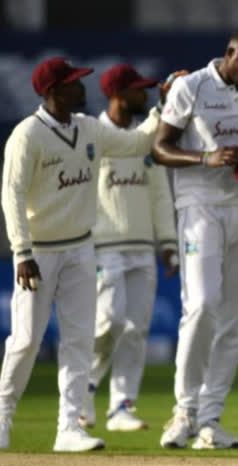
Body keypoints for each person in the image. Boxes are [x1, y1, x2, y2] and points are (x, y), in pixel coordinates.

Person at [0, 57, 167, 451]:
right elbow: (12, 195)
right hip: (38, 253)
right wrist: (21, 251)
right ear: (54, 91)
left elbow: (138, 143)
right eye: (74, 84)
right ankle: (3, 417)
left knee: (78, 340)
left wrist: (163, 106)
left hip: (80, 248)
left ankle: (69, 428)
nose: (83, 89)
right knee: (25, 339)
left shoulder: (89, 128)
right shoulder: (27, 135)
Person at [152, 26, 238, 450]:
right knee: (203, 305)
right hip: (200, 206)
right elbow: (159, 148)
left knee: (236, 315)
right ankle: (184, 411)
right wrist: (207, 157)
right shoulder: (191, 87)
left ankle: (210, 419)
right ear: (229, 52)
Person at [78, 64, 180, 433]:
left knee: (136, 328)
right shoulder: (95, 137)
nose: (144, 95)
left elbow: (159, 194)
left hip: (142, 247)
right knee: (108, 322)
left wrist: (168, 242)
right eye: (139, 90)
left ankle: (121, 406)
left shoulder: (144, 142)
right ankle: (82, 393)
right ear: (119, 95)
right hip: (104, 247)